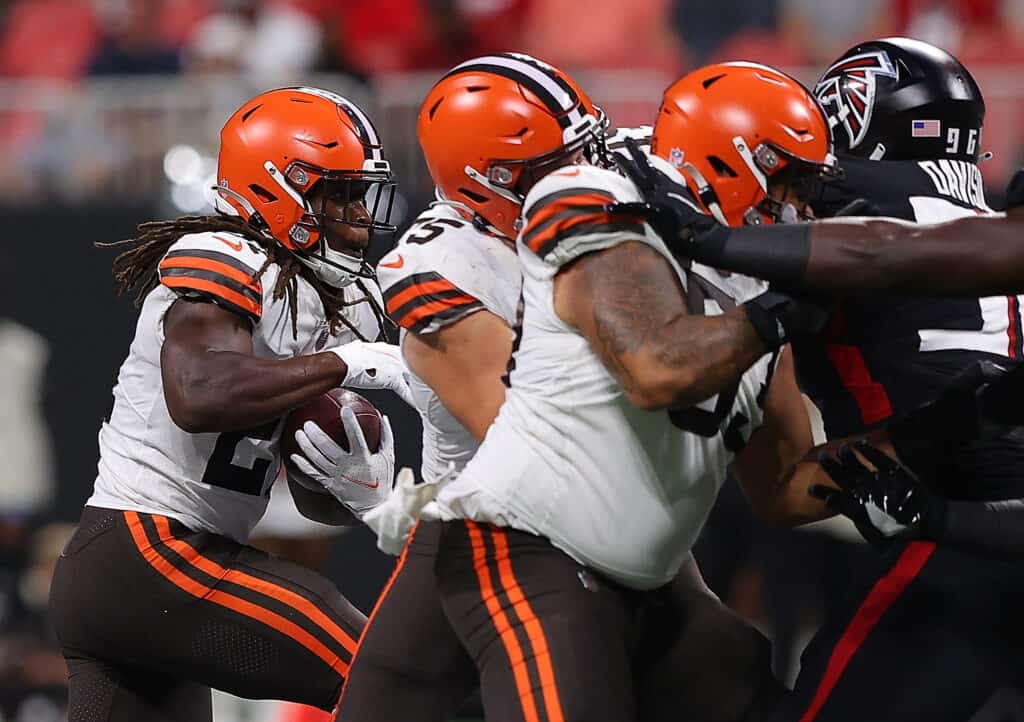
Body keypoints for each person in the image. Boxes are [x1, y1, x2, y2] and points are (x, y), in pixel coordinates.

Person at [341, 53, 782, 722]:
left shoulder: (601, 193)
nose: (588, 170)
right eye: (558, 162)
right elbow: (539, 434)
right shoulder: (444, 264)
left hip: (606, 516)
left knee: (732, 670)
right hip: (508, 529)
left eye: (589, 148)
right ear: (486, 183)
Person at [613, 45, 1024, 721]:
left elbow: (869, 249)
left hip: (954, 552)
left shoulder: (843, 199)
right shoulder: (986, 217)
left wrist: (692, 223)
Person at [48, 87, 411, 722]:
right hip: (152, 554)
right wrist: (344, 364)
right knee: (393, 678)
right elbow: (199, 394)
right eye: (339, 195)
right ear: (278, 188)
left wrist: (353, 487)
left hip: (141, 572)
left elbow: (307, 498)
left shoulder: (324, 296)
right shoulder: (221, 252)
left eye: (360, 195)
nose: (357, 215)